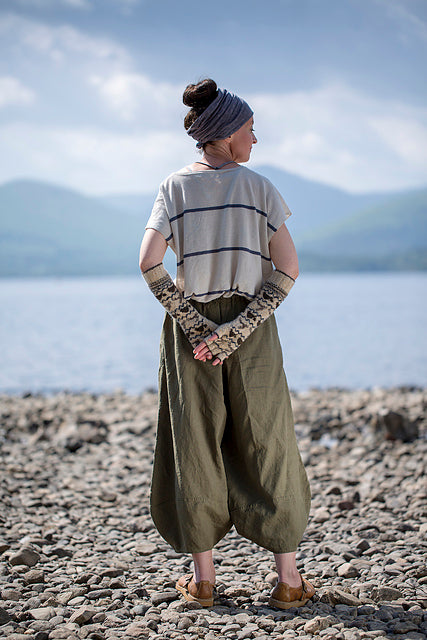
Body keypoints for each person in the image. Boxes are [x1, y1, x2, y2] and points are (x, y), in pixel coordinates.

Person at [138, 78, 315, 610]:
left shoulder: (173, 187)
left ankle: (205, 582)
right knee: (268, 439)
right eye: (250, 130)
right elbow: (288, 270)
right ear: (227, 134)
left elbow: (149, 263)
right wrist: (236, 331)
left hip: (189, 329)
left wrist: (199, 329)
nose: (255, 140)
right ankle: (288, 582)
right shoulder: (260, 188)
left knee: (193, 440)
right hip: (252, 327)